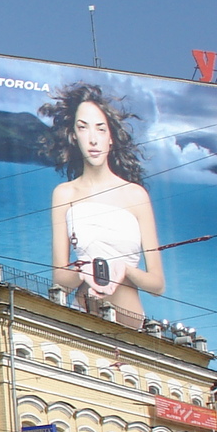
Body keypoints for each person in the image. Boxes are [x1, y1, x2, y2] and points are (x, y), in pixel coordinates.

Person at [45, 82, 164, 330]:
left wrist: (124, 270)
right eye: (83, 128)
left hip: (131, 327)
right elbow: (59, 279)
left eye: (100, 129)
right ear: (74, 136)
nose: (93, 139)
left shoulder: (135, 195)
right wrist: (84, 271)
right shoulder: (64, 194)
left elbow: (157, 284)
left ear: (111, 137)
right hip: (83, 321)